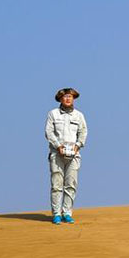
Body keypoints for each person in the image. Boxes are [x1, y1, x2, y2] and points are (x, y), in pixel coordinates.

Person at [45, 87, 88, 224]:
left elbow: (83, 132)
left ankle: (67, 213)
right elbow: (49, 132)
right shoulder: (53, 114)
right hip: (57, 153)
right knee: (56, 185)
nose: (68, 99)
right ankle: (56, 214)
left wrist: (77, 145)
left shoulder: (79, 115)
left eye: (70, 96)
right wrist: (58, 146)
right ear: (60, 99)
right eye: (65, 96)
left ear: (73, 98)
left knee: (71, 184)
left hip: (74, 154)